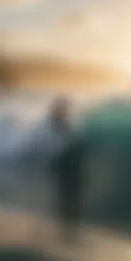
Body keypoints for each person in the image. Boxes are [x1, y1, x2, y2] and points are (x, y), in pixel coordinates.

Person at [48, 96, 84, 244]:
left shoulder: (64, 127)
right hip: (69, 171)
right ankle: (67, 233)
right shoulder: (63, 127)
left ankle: (68, 233)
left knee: (69, 201)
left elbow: (69, 148)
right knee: (67, 202)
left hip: (71, 171)